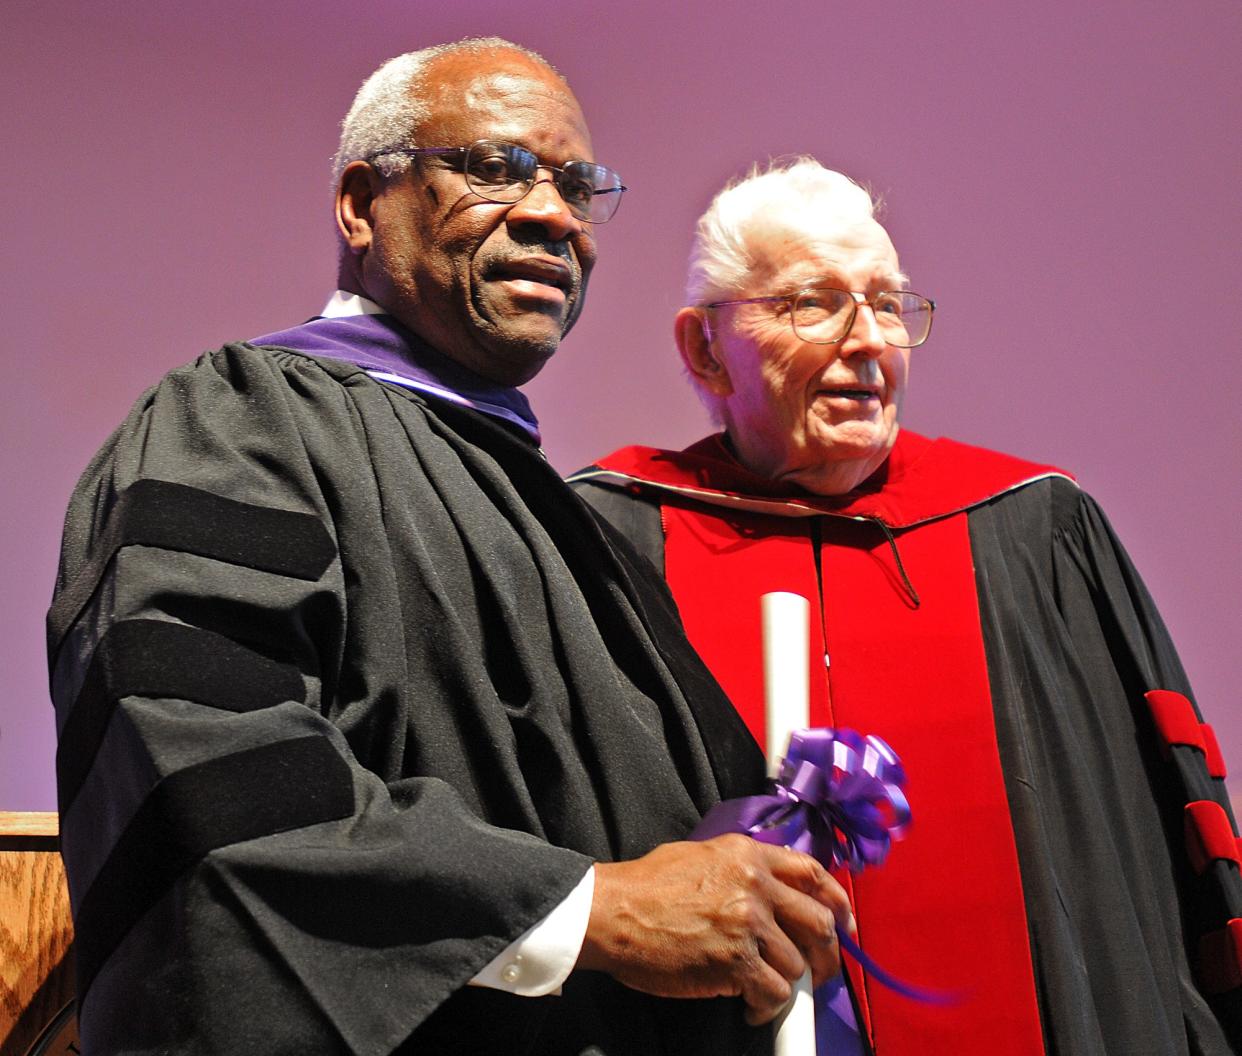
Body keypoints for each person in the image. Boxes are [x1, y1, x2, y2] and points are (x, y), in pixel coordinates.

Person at [47, 43, 854, 1055]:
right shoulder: (241, 424)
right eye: (495, 168)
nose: (556, 215)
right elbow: (209, 765)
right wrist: (584, 913)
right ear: (361, 202)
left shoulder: (583, 538)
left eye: (576, 186)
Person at [570, 159, 1242, 1055]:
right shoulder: (605, 546)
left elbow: (1152, 852)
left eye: (887, 304)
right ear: (703, 348)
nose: (868, 342)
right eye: (813, 302)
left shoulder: (1033, 530)